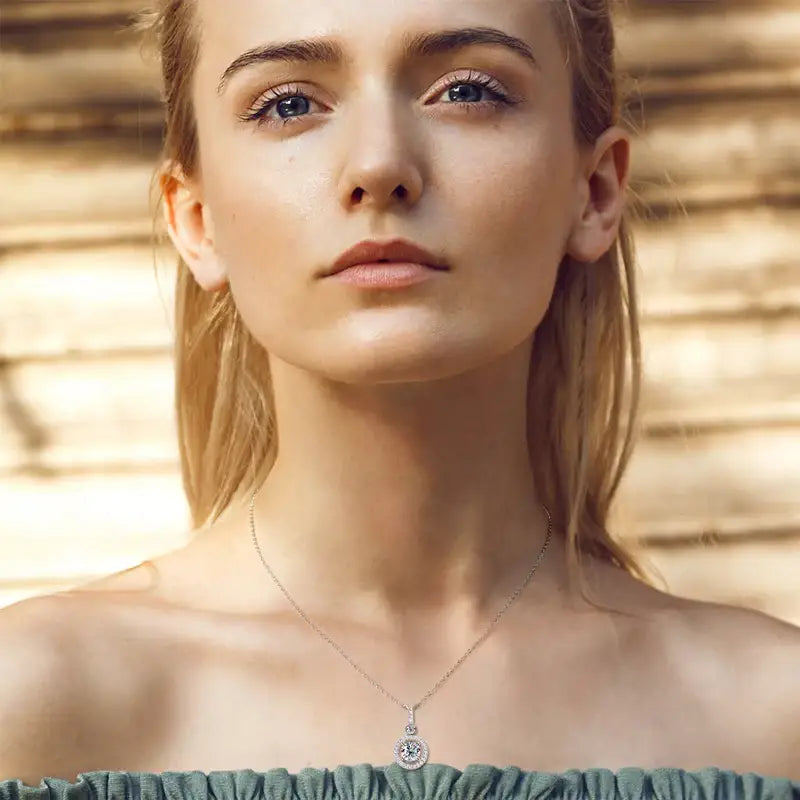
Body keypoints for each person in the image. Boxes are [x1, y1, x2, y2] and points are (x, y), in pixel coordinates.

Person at [1, 0, 799, 796]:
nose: (379, 165)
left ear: (592, 190)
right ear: (196, 220)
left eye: (468, 91)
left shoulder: (769, 720)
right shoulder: (35, 700)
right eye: (289, 104)